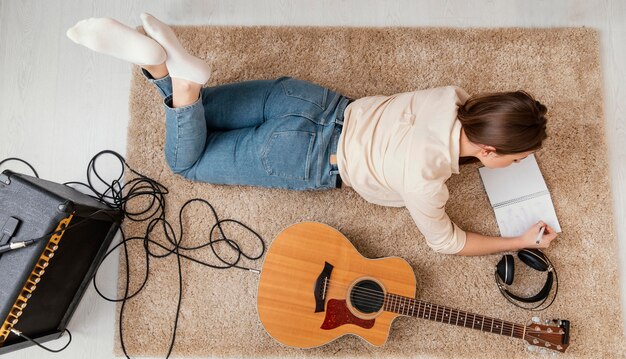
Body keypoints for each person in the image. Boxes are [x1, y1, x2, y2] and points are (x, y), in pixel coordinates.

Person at [66, 13, 558, 257]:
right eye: (516, 158)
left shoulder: (451, 95)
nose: (517, 164)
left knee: (201, 112)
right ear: (490, 149)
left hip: (308, 101)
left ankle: (163, 66)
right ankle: (176, 79)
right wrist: (517, 241)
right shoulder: (427, 183)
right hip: (305, 157)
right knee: (187, 162)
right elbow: (446, 242)